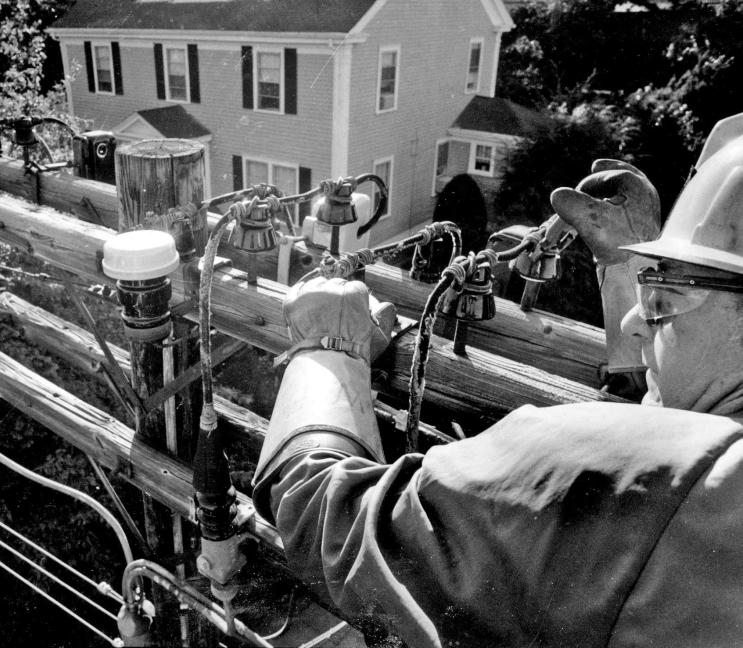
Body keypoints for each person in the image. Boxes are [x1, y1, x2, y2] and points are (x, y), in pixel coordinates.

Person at [252, 113, 743, 647]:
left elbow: (325, 515)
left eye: (663, 303)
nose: (632, 324)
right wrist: (625, 271)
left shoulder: (613, 469)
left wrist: (329, 348)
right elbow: (650, 414)